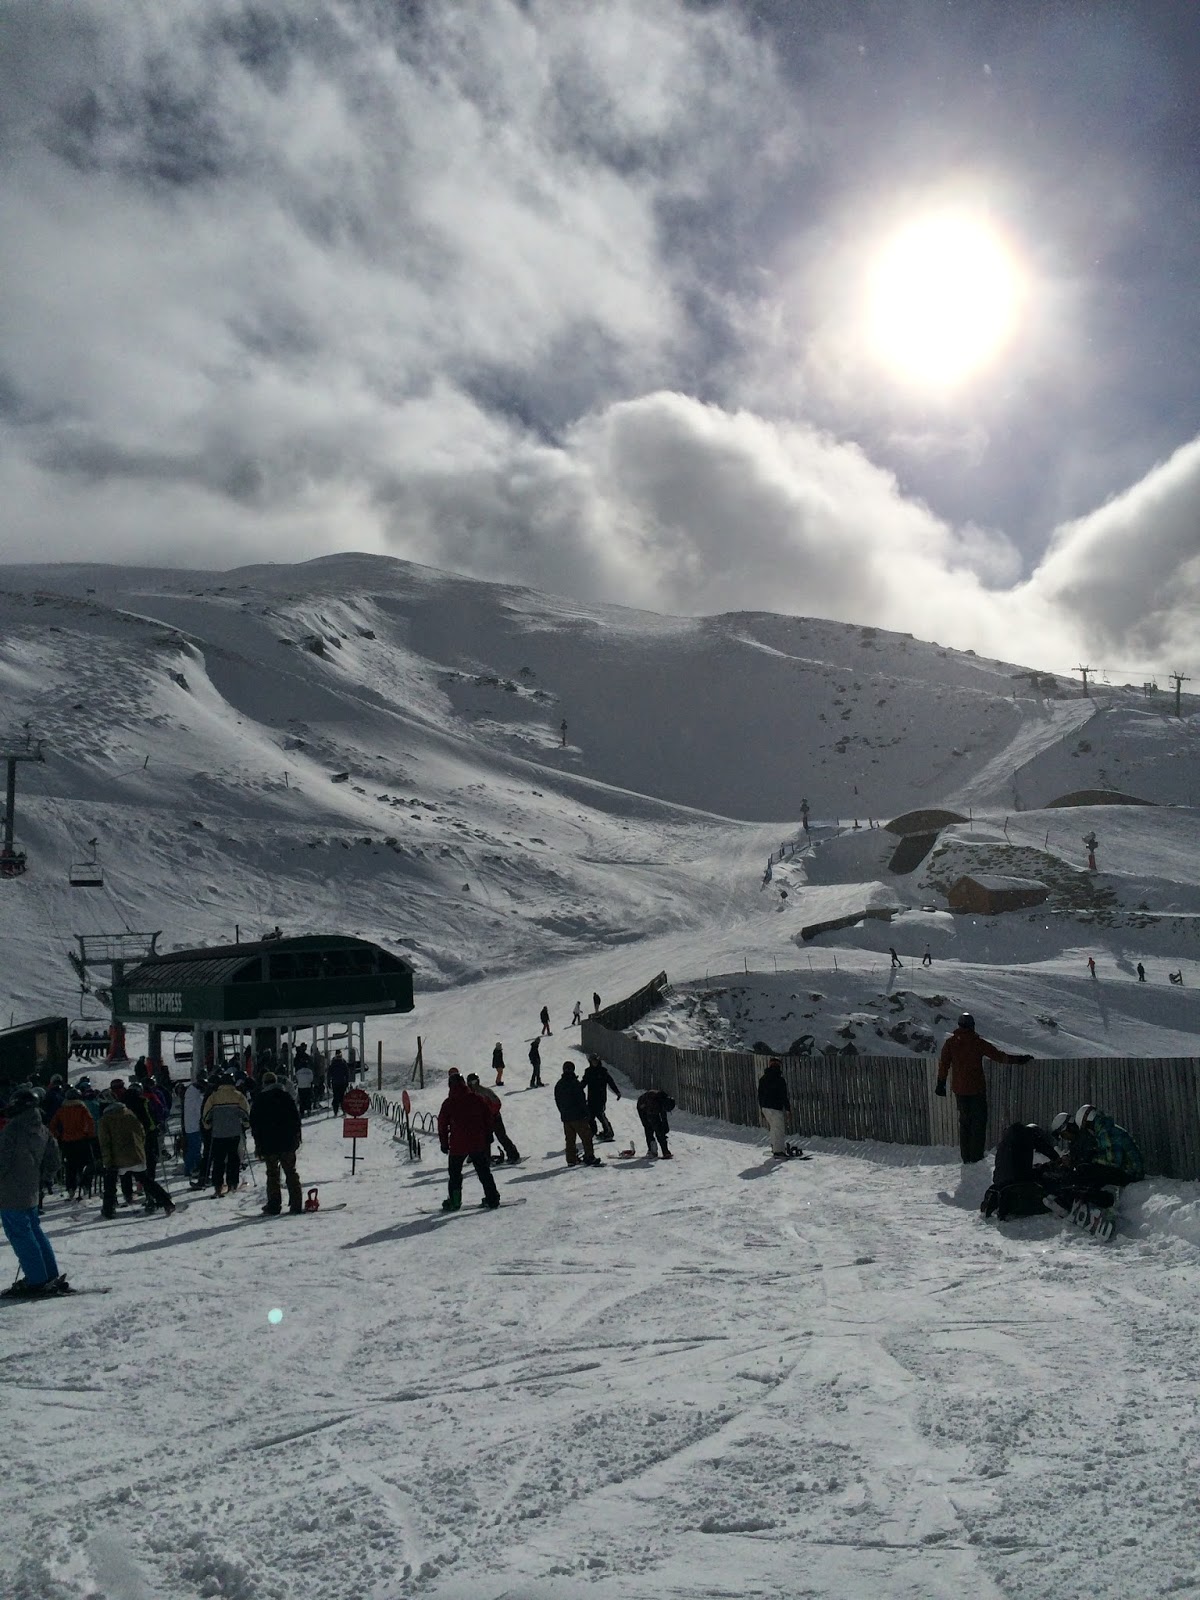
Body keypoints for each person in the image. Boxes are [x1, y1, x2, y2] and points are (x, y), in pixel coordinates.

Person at [935, 1014, 1032, 1165]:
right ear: (972, 1026)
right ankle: (976, 1156)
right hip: (976, 1089)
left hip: (960, 1090)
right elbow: (998, 1056)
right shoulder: (977, 1043)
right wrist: (1019, 1060)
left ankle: (966, 1156)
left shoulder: (951, 1043)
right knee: (978, 1123)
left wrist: (941, 1083)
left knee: (965, 1123)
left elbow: (944, 1064)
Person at [0, 1088, 69, 1295]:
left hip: (10, 1190)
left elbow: (2, 1161)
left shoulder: (13, 1129)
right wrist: (44, 1178)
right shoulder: (42, 1129)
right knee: (34, 1231)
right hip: (30, 1188)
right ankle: (48, 1274)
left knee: (20, 1233)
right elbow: (54, 1159)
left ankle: (37, 1279)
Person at [98, 1085, 175, 1217]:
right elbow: (141, 1131)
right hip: (135, 1154)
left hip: (117, 1158)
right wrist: (139, 1147)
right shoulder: (129, 1113)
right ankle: (166, 1202)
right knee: (145, 1180)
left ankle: (108, 1210)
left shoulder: (105, 1120)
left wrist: (107, 1161)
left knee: (110, 1184)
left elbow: (105, 1142)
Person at [437, 1070, 500, 1211]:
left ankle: (455, 1201)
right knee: (484, 1172)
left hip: (457, 1144)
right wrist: (488, 1134)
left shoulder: (449, 1103)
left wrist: (444, 1143)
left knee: (455, 1174)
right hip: (477, 1142)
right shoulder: (477, 1098)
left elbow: (442, 1124)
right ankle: (493, 1199)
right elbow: (488, 1117)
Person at [1052, 1104, 1145, 1192]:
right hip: (1130, 1170)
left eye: (1087, 1126)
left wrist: (1091, 1160)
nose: (1087, 1130)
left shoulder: (1106, 1132)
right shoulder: (1104, 1130)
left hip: (1131, 1173)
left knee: (1089, 1171)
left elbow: (1113, 1161)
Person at [980, 1123, 1061, 1219]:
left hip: (1000, 1181)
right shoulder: (1029, 1134)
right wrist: (1057, 1159)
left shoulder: (1005, 1143)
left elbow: (1014, 1164)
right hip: (1018, 1181)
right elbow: (1045, 1148)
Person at [249, 1072, 304, 1215]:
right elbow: (296, 1119)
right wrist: (297, 1137)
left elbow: (254, 1124)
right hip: (287, 1142)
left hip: (269, 1143)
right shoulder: (286, 1097)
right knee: (291, 1172)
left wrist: (258, 1143)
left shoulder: (260, 1100)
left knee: (272, 1173)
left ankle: (274, 1205)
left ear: (264, 1083)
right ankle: (296, 1204)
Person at [202, 1074, 250, 1197]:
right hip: (234, 1132)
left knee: (218, 1160)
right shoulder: (238, 1096)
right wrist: (245, 1124)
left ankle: (218, 1186)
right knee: (233, 1158)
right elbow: (246, 1113)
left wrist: (208, 1126)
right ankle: (232, 1183)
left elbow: (206, 1115)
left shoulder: (214, 1097)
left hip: (218, 1134)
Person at [49, 1087, 96, 1202]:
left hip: (67, 1141)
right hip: (82, 1140)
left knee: (70, 1166)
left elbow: (52, 1125)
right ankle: (85, 1186)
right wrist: (89, 1135)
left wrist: (58, 1135)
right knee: (85, 1164)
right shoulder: (82, 1108)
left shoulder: (62, 1110)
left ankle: (71, 1188)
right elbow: (90, 1122)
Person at [553, 1062, 601, 1166]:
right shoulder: (574, 1083)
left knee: (570, 1140)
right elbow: (581, 1100)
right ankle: (589, 1157)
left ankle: (571, 1160)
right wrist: (587, 1113)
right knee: (586, 1137)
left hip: (566, 1117)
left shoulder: (559, 1084)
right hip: (578, 1116)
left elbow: (557, 1100)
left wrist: (563, 1112)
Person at [465, 1073, 520, 1163]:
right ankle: (483, 1157)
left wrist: (491, 1113)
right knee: (484, 1139)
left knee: (501, 1136)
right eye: (473, 1082)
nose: (475, 1084)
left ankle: (513, 1154)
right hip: (482, 1121)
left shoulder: (485, 1092)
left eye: (476, 1081)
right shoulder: (469, 1095)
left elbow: (497, 1102)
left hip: (494, 1118)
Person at [756, 1057, 791, 1159]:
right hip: (775, 1107)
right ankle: (779, 1151)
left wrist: (761, 1108)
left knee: (773, 1127)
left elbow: (760, 1095)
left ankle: (774, 1146)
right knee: (779, 1129)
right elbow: (783, 1095)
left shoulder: (763, 1079)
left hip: (765, 1107)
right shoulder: (780, 1080)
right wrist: (788, 1109)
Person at [581, 1055, 621, 1141]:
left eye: (596, 1061)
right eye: (593, 1061)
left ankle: (609, 1132)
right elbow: (583, 1083)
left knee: (600, 1115)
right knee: (590, 1116)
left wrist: (617, 1092)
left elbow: (611, 1082)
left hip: (601, 1098)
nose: (594, 1063)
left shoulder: (603, 1071)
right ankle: (593, 1131)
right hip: (591, 1098)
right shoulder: (588, 1071)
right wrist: (577, 1089)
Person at [636, 1088, 675, 1159]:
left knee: (660, 1129)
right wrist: (660, 1130)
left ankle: (665, 1151)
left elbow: (663, 1115)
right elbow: (653, 1121)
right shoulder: (652, 1100)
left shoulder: (663, 1100)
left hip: (653, 1107)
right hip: (642, 1108)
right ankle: (652, 1150)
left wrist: (665, 1125)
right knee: (649, 1128)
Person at [182, 1077, 204, 1179]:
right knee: (195, 1148)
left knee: (192, 1147)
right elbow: (200, 1112)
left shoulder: (189, 1096)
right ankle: (192, 1167)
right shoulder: (196, 1098)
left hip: (190, 1126)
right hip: (195, 1126)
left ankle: (191, 1167)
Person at [328, 1049, 350, 1115]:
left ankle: (336, 1111)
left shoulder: (333, 1063)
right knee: (341, 1097)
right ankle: (342, 1110)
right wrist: (347, 1081)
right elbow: (347, 1073)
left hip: (336, 1082)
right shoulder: (343, 1062)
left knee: (336, 1097)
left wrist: (328, 1082)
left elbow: (329, 1073)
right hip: (341, 1082)